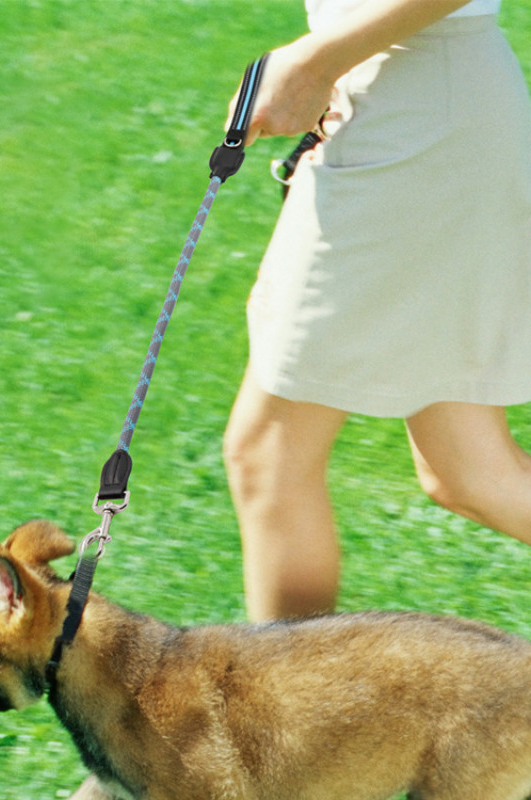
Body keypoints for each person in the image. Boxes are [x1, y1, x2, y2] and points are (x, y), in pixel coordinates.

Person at [222, 0, 531, 622]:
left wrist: (316, 59)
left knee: (268, 457)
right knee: (467, 471)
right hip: (406, 100)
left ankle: (294, 715)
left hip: (416, 108)